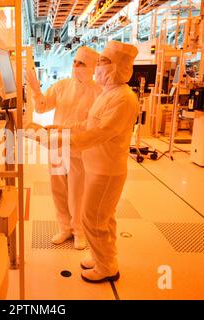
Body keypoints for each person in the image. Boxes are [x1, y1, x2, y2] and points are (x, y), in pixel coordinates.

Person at [69, 41, 139, 282]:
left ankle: (107, 266)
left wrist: (60, 138)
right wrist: (57, 130)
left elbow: (97, 133)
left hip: (107, 170)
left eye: (103, 62)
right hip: (97, 166)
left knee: (93, 218)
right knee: (104, 217)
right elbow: (88, 124)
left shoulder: (124, 99)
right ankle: (104, 256)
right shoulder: (109, 93)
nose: (98, 66)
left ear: (119, 67)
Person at [25, 46, 102, 250]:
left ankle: (79, 231)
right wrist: (35, 90)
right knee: (58, 188)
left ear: (93, 67)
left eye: (82, 63)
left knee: (78, 192)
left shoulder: (98, 92)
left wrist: (68, 131)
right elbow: (42, 107)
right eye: (75, 62)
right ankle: (64, 228)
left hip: (80, 148)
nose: (76, 66)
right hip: (57, 147)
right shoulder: (61, 86)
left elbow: (94, 126)